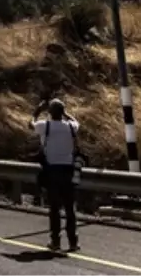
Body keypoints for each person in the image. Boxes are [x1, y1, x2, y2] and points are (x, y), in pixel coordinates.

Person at [32, 98, 80, 252]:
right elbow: (76, 122)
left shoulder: (44, 126)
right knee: (70, 208)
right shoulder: (71, 127)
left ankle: (56, 241)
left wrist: (37, 111)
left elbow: (30, 124)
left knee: (54, 208)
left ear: (50, 113)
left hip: (52, 170)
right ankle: (73, 241)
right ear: (63, 112)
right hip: (68, 170)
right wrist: (66, 114)